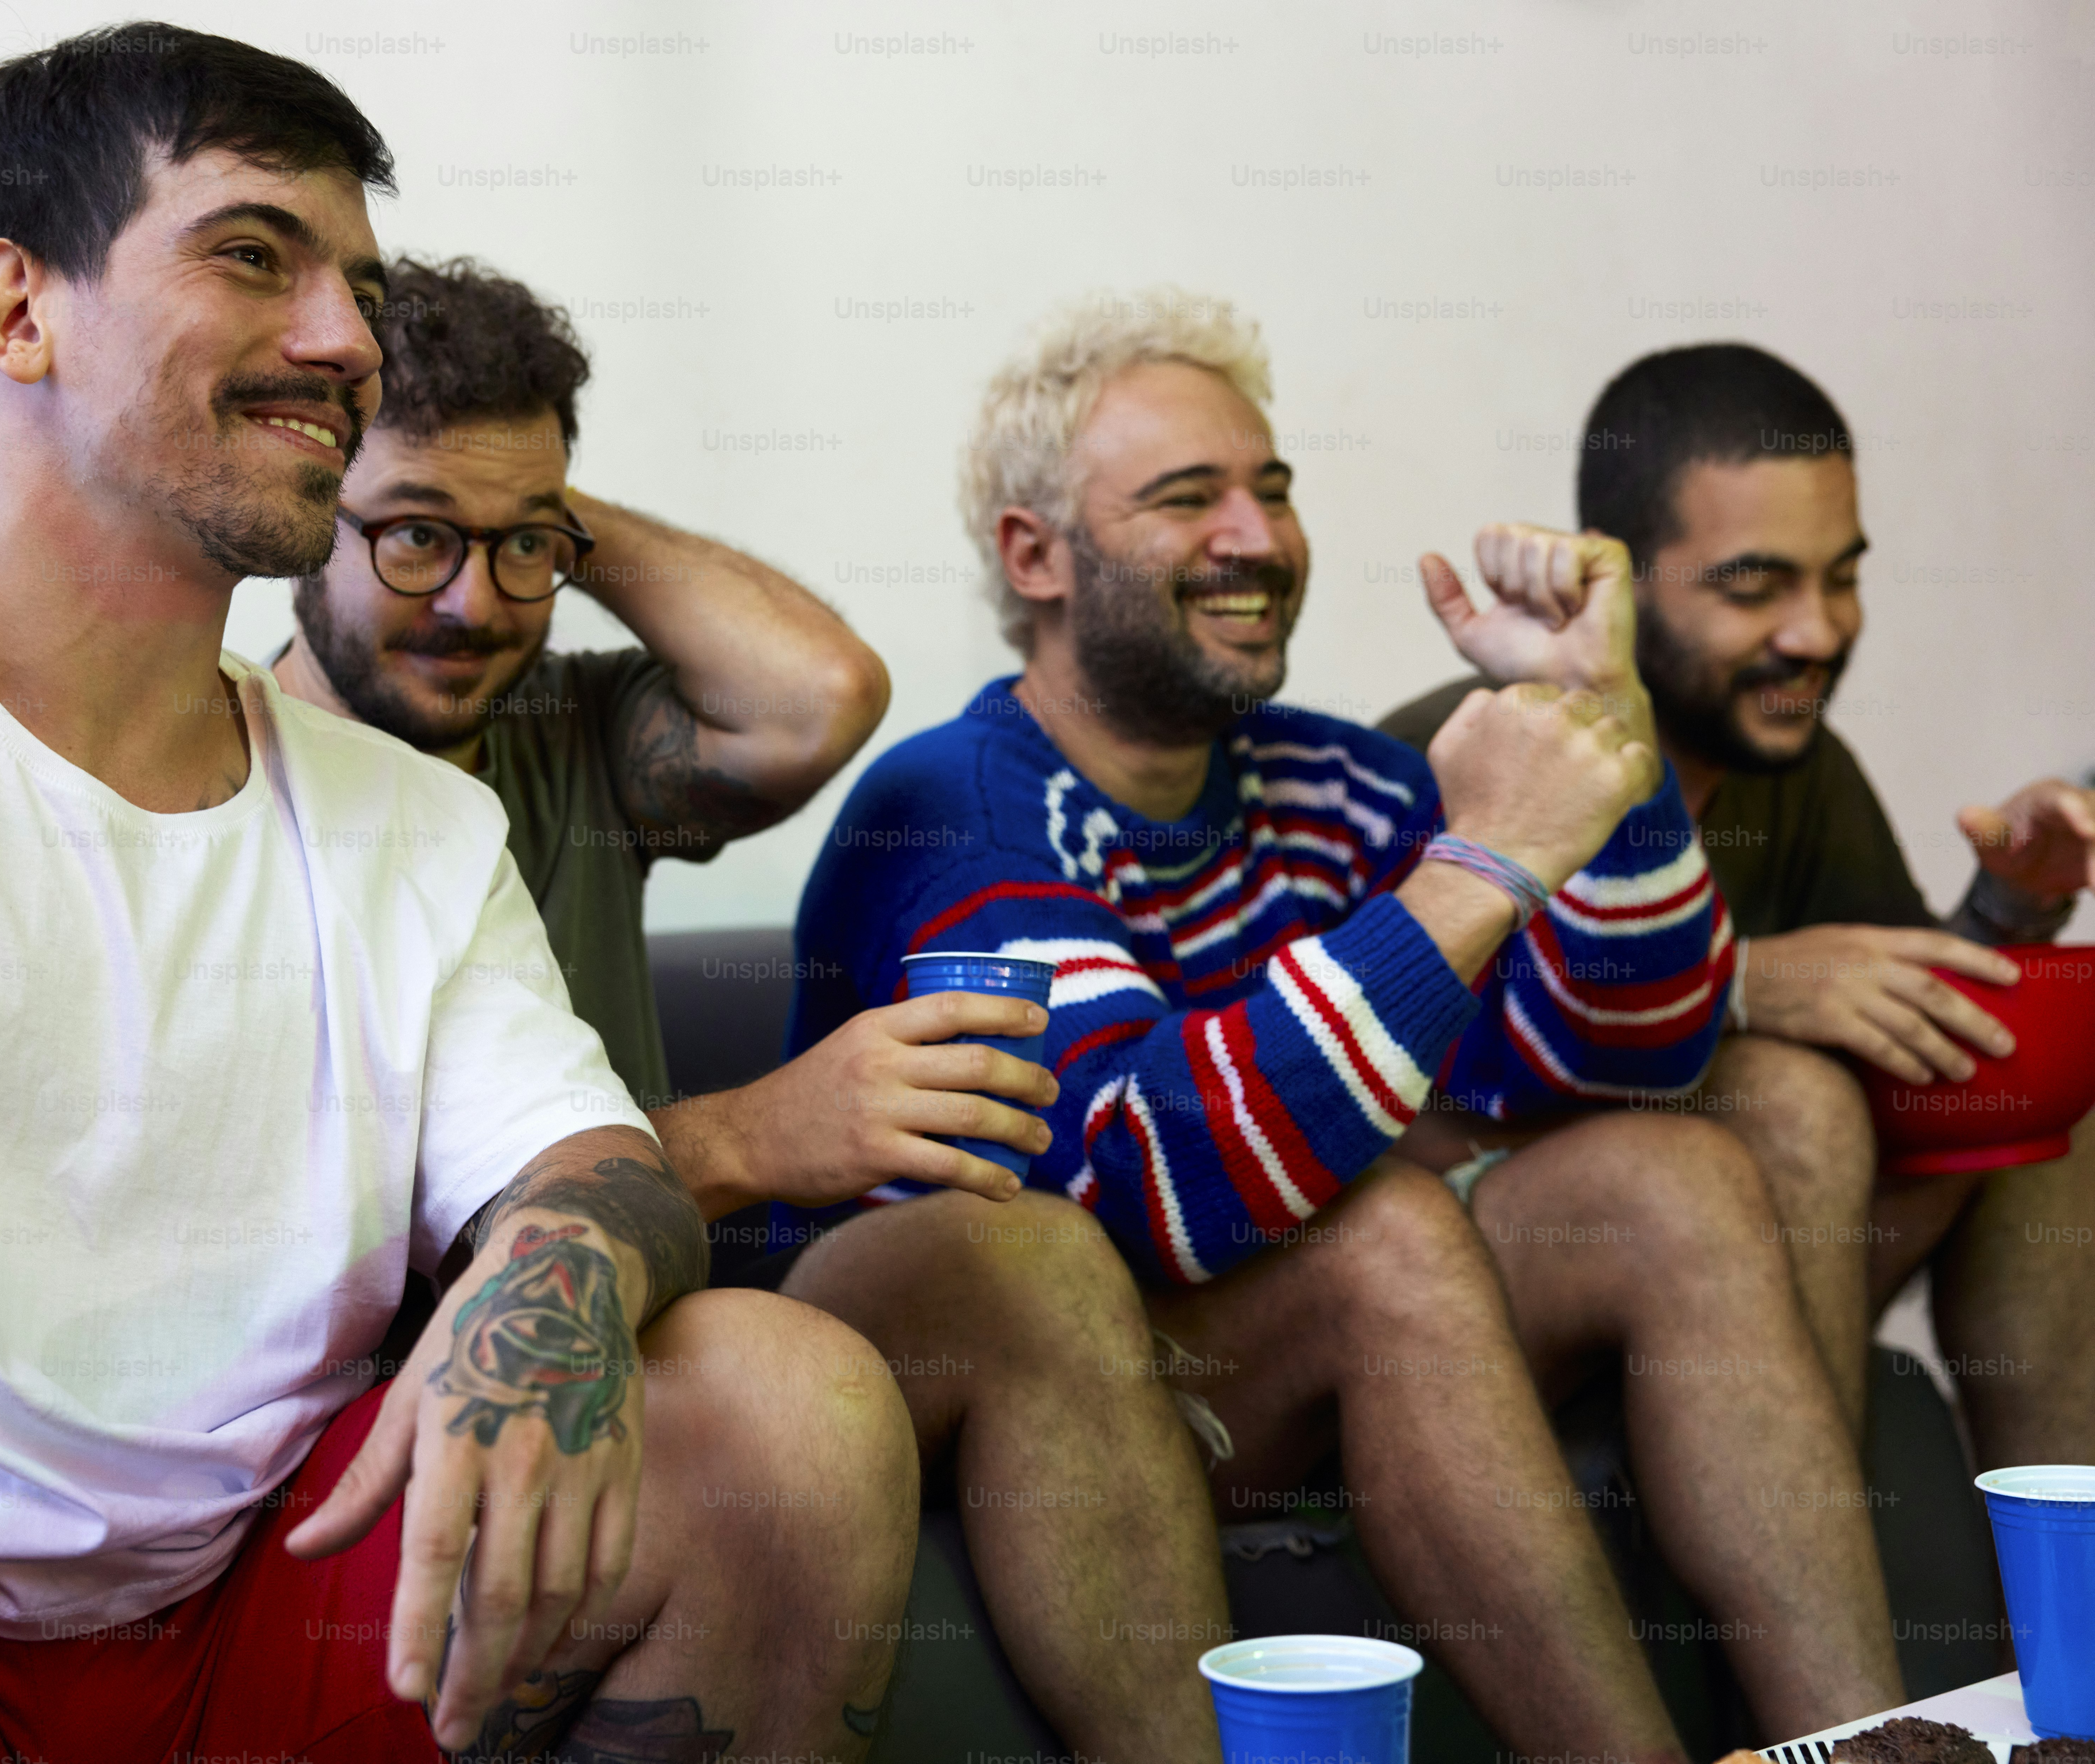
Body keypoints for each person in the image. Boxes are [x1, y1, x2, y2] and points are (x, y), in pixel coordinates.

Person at [0, 13, 914, 1762]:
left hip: (257, 1621)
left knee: (787, 1407)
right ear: (17, 311)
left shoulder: (409, 826)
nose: (346, 340)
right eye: (252, 256)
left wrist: (563, 1271)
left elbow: (588, 1161)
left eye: (357, 287)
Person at [788, 290, 1907, 1754]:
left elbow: (1618, 1062)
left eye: (1274, 489)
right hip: (1060, 1389)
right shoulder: (956, 808)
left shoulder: (1323, 779)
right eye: (1189, 499)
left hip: (1270, 1351)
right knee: (1382, 1234)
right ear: (1034, 555)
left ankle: (1882, 1742)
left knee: (1670, 1173)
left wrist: (1599, 721)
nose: (1257, 537)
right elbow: (1149, 1177)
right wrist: (1481, 867)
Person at [275, 254, 1231, 1760]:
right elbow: (336, 1247)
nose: (471, 604)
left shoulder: (559, 735)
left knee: (1023, 1259)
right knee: (775, 1396)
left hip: (686, 1336)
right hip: (411, 1415)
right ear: (302, 501)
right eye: (411, 539)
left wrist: (538, 521)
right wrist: (752, 1135)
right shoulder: (225, 778)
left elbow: (821, 691)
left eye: (521, 545)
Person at [1381, 343, 2095, 1456]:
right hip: (1495, 1302)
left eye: (1842, 576)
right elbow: (1378, 1135)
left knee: (2045, 1109)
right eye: (1755, 586)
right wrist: (1740, 989)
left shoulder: (1798, 769)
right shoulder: (1459, 757)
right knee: (1785, 1096)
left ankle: (2072, 1600)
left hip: (1764, 1294)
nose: (1816, 632)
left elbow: (1908, 1046)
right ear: (1619, 583)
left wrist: (2007, 913)